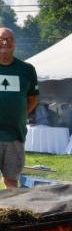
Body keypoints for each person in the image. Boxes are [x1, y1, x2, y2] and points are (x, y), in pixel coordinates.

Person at [0, 27, 39, 188]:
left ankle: (11, 211)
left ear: (14, 43)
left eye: (9, 39)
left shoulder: (27, 69)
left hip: (15, 135)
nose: (5, 42)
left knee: (11, 180)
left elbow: (33, 98)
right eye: (1, 39)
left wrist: (21, 116)